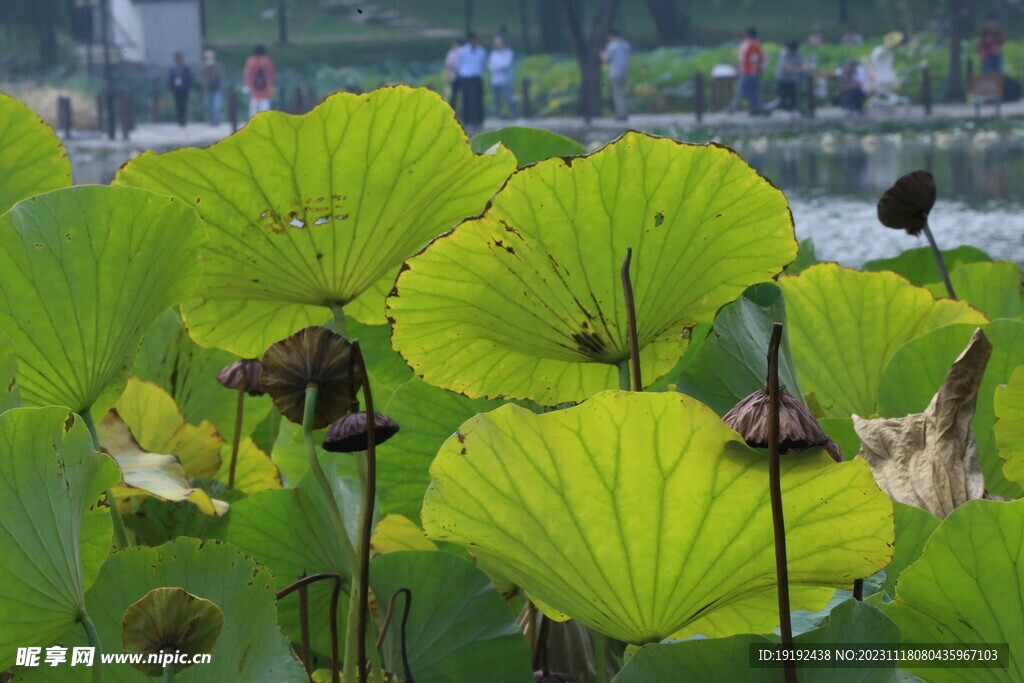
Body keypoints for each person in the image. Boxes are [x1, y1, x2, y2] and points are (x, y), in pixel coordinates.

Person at [456, 32, 487, 131]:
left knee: (478, 100)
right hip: (466, 78)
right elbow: (459, 64)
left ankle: (478, 121)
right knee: (467, 100)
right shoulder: (463, 51)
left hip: (476, 77)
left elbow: (483, 64)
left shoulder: (481, 51)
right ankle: (467, 121)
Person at [602, 29, 631, 121]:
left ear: (611, 36)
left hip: (615, 73)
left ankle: (620, 115)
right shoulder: (626, 45)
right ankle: (624, 113)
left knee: (617, 95)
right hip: (624, 72)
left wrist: (601, 54)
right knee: (622, 93)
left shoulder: (611, 46)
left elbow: (606, 60)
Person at [487, 34, 518, 119]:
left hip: (505, 80)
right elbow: (490, 66)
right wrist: (498, 67)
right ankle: (499, 116)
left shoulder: (508, 52)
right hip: (495, 80)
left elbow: (506, 64)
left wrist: (497, 66)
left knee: (509, 98)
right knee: (497, 100)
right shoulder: (493, 54)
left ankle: (515, 114)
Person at [738, 27, 765, 115]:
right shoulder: (753, 43)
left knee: (745, 90)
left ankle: (758, 107)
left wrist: (753, 70)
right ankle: (756, 108)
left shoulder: (753, 44)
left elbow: (754, 58)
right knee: (752, 90)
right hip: (749, 70)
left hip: (750, 72)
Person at [774, 41, 807, 113]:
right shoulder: (784, 54)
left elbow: (802, 63)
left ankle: (795, 110)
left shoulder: (797, 54)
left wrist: (803, 66)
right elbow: (787, 67)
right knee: (782, 98)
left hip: (792, 79)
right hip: (783, 79)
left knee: (793, 97)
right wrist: (800, 69)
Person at [244, 44, 276, 117]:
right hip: (266, 85)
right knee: (264, 104)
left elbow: (247, 74)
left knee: (254, 104)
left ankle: (253, 120)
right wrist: (272, 84)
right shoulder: (267, 60)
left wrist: (247, 84)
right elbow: (271, 73)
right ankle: (265, 120)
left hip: (253, 85)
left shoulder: (250, 61)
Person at [167, 52, 193, 127]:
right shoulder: (173, 69)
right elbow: (170, 79)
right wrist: (170, 89)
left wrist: (189, 89)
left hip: (184, 89)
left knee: (184, 105)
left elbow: (189, 79)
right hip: (176, 90)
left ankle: (184, 120)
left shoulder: (186, 68)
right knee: (178, 105)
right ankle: (179, 120)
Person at [201, 49, 223, 126]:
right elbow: (204, 78)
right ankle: (212, 121)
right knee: (209, 106)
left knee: (216, 106)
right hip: (208, 89)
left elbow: (219, 77)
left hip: (216, 89)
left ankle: (216, 121)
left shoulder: (217, 66)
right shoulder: (204, 67)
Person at [445, 39, 463, 107]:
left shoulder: (462, 53)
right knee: (453, 94)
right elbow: (448, 65)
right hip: (454, 76)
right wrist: (448, 76)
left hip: (462, 76)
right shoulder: (451, 53)